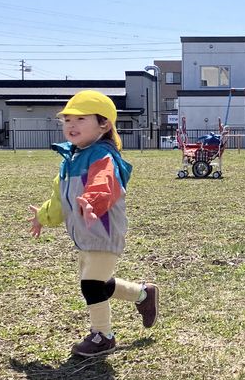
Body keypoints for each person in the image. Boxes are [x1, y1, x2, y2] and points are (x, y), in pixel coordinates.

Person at [28, 90, 159, 357]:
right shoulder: (71, 160)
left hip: (103, 233)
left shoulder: (103, 155)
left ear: (104, 124)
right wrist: (42, 215)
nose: (71, 125)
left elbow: (104, 182)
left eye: (80, 119)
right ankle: (143, 294)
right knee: (100, 284)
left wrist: (92, 202)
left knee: (90, 284)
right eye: (67, 120)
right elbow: (59, 199)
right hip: (84, 236)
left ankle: (103, 336)